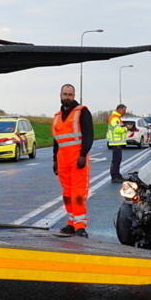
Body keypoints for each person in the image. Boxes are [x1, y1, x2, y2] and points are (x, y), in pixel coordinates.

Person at [52, 84, 93, 237]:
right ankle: (71, 223)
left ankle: (80, 225)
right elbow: (56, 141)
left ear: (74, 96)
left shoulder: (82, 111)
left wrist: (83, 154)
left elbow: (89, 134)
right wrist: (55, 160)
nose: (67, 97)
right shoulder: (56, 116)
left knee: (78, 192)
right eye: (65, 94)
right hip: (62, 158)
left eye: (70, 94)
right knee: (67, 193)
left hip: (77, 157)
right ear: (60, 95)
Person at [107, 103, 128, 183]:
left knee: (117, 160)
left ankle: (117, 175)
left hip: (117, 143)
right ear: (119, 109)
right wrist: (126, 128)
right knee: (116, 160)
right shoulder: (115, 118)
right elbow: (117, 130)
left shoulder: (117, 118)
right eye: (124, 110)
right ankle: (114, 176)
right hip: (115, 142)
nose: (124, 112)